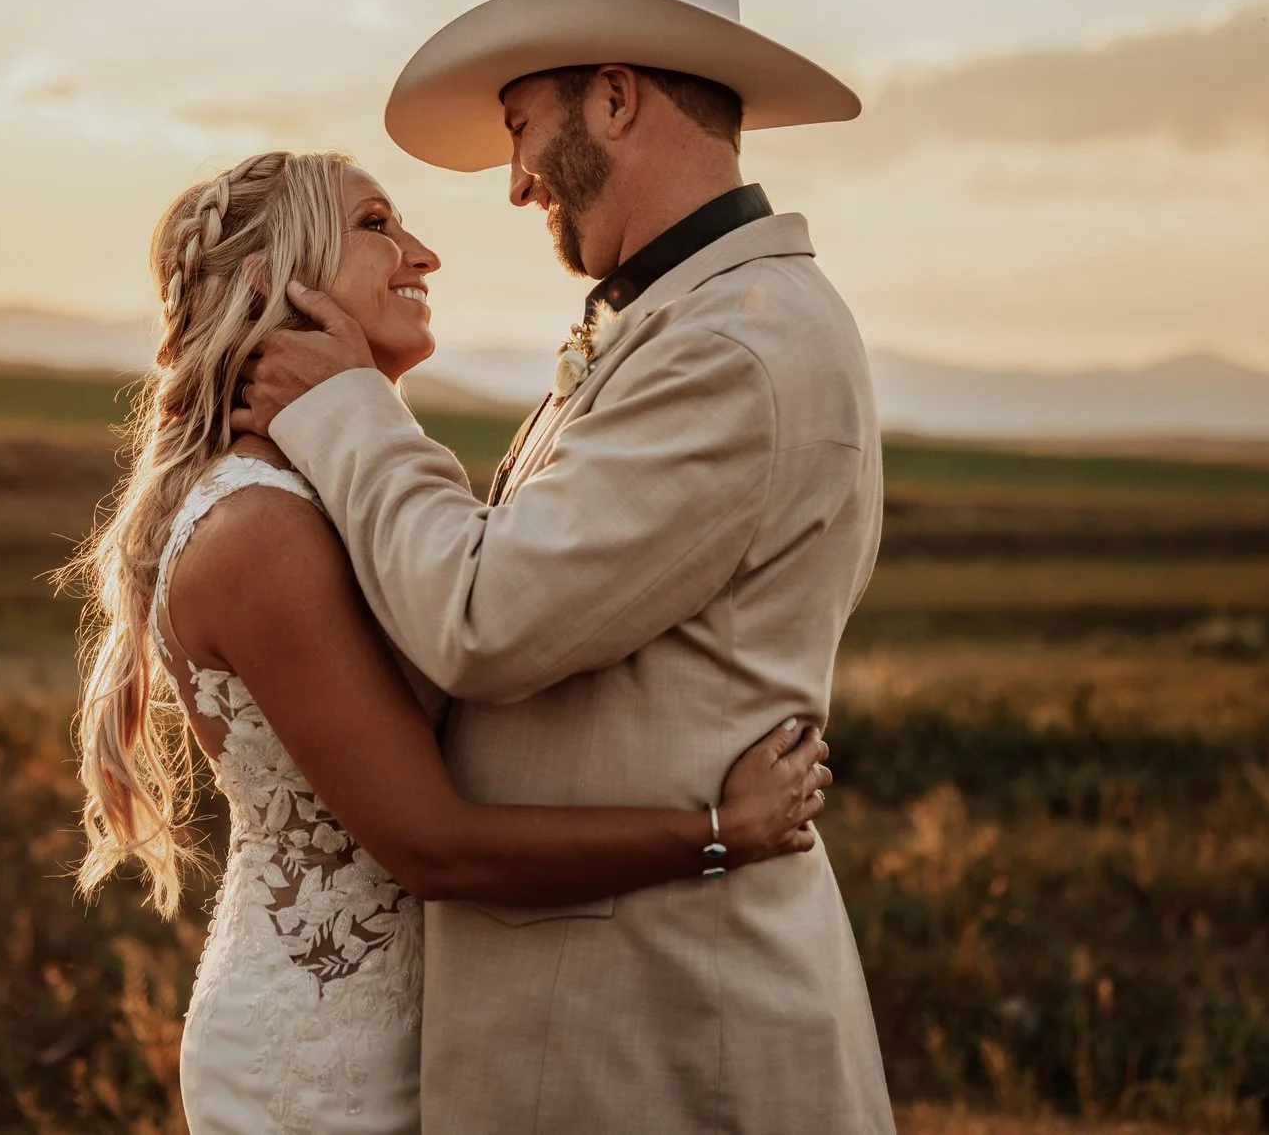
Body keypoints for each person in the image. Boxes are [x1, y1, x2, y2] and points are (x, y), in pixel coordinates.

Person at [234, 0, 897, 1134]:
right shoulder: (687, 323)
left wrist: (349, 407)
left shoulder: (731, 350)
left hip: (664, 1023)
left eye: (521, 127)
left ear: (613, 95)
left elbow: (486, 621)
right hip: (605, 1012)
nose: (516, 182)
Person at [64, 147, 834, 1135]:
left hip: (425, 1032)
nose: (423, 254)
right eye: (378, 224)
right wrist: (720, 833)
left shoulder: (325, 496)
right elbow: (434, 846)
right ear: (271, 281)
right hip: (330, 1058)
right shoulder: (261, 530)